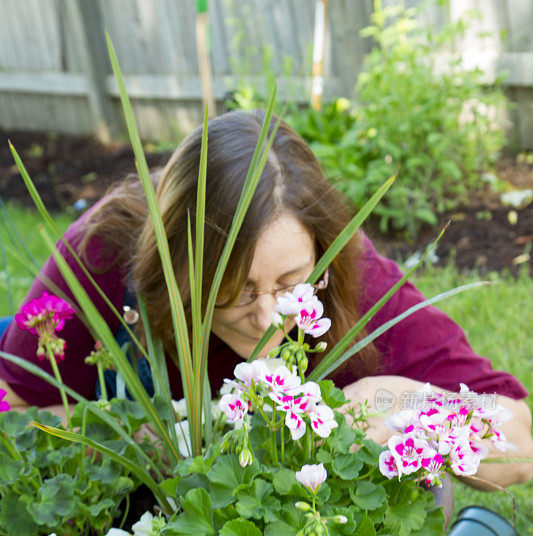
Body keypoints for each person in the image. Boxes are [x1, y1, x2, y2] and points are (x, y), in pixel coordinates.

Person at [0, 110, 532, 488]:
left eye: (289, 285)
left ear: (320, 255)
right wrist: (153, 437)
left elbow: (517, 434)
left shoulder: (352, 278)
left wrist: (391, 405)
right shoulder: (103, 252)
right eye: (232, 292)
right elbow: (14, 409)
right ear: (176, 273)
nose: (264, 319)